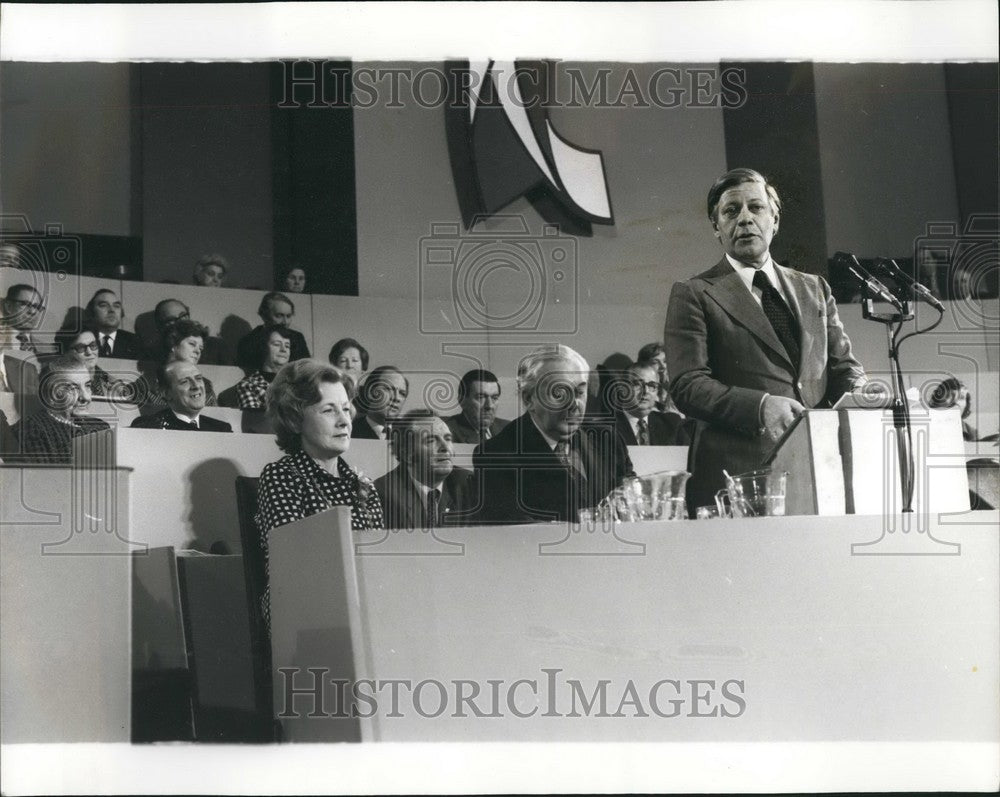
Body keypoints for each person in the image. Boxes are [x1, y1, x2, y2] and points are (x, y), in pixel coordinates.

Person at [664, 167, 867, 511]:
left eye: (756, 208)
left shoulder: (814, 288)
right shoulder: (694, 293)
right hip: (735, 478)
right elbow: (688, 385)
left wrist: (862, 390)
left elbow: (843, 367)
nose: (744, 219)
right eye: (731, 211)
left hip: (818, 471)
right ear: (717, 227)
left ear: (774, 220)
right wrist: (760, 407)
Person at [255, 360, 383, 626]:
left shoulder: (364, 485)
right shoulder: (282, 476)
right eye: (329, 410)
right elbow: (291, 565)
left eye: (346, 410)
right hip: (305, 612)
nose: (344, 421)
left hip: (366, 604)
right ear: (294, 419)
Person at [473, 344, 634, 524]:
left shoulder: (608, 439)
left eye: (580, 392)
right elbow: (514, 531)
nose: (574, 404)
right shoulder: (496, 454)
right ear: (529, 398)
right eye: (559, 393)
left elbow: (635, 499)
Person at [374, 409, 476, 529]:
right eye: (431, 440)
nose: (445, 447)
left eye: (448, 439)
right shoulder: (384, 492)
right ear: (407, 454)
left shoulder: (468, 484)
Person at [7, 356, 110, 463]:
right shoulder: (30, 431)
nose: (86, 397)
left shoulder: (101, 426)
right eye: (73, 388)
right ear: (50, 394)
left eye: (88, 386)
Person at [130, 361, 232, 431]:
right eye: (184, 382)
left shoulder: (221, 429)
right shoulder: (147, 427)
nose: (196, 386)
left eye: (198, 378)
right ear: (166, 393)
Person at [613, 360, 690, 446]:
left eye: (652, 385)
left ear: (657, 391)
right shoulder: (605, 428)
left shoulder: (672, 423)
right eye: (637, 384)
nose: (645, 391)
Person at [236, 292, 311, 372]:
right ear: (264, 315)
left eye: (288, 316)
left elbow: (306, 369)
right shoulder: (249, 341)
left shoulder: (297, 338)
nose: (285, 322)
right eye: (279, 316)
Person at [159, 319, 218, 406]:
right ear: (173, 344)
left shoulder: (205, 385)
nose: (198, 351)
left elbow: (213, 416)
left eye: (201, 348)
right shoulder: (150, 382)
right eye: (192, 344)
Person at [444, 368, 510, 444]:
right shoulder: (447, 431)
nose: (490, 406)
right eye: (481, 397)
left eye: (494, 398)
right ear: (462, 401)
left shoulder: (509, 428)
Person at [235, 325, 291, 410]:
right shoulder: (248, 385)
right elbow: (255, 420)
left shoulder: (298, 383)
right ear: (263, 348)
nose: (283, 349)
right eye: (277, 344)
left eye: (287, 346)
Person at [352, 365, 409, 439]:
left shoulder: (410, 435)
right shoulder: (348, 431)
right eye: (389, 389)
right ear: (370, 393)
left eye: (402, 393)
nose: (397, 398)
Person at [83, 289, 144, 359]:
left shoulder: (135, 342)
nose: (112, 310)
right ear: (92, 312)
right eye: (104, 305)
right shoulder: (81, 339)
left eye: (116, 306)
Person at [636, 341, 682, 415]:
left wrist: (670, 388)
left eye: (665, 361)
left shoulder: (679, 389)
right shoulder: (643, 393)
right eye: (655, 362)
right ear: (644, 366)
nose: (663, 366)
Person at [928, 376, 979, 442]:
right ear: (938, 399)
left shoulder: (972, 434)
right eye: (949, 396)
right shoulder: (923, 427)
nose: (955, 402)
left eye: (961, 397)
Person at [1, 284, 44, 352]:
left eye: (37, 307)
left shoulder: (46, 350)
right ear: (8, 306)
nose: (32, 312)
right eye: (25, 304)